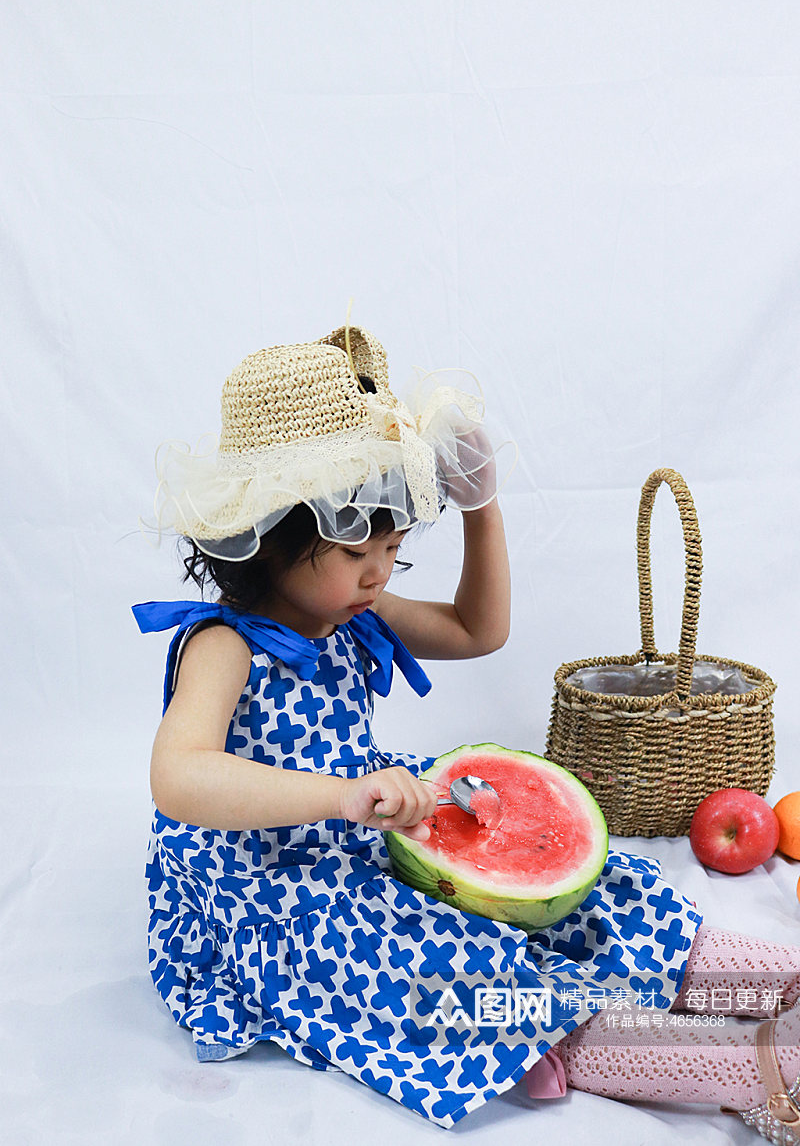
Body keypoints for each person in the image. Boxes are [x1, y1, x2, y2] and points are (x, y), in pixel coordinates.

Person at [134, 324, 800, 1139]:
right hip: (272, 886)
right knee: (463, 976)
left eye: (394, 549)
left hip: (370, 824)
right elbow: (180, 777)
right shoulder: (223, 643)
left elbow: (480, 628)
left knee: (584, 891)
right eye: (359, 552)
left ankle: (776, 985)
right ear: (273, 534)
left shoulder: (351, 607)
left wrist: (483, 508)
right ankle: (750, 1068)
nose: (379, 574)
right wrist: (342, 794)